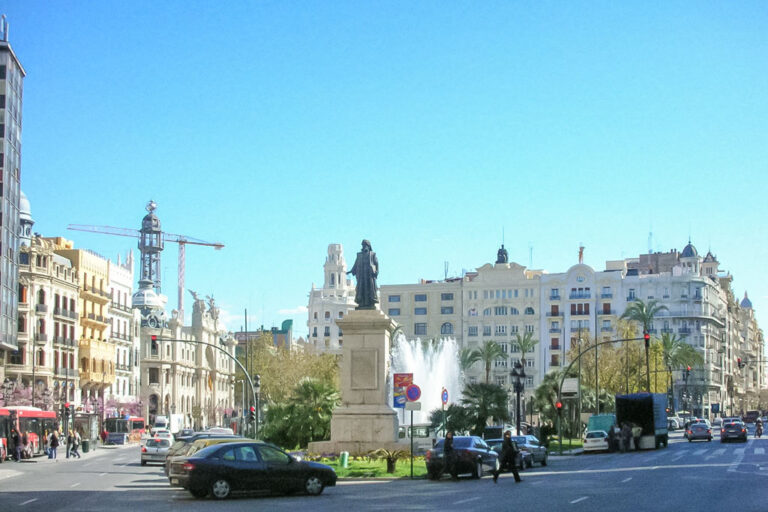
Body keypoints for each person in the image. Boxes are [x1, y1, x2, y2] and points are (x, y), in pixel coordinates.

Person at [346, 239, 379, 310]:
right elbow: (356, 264)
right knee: (361, 289)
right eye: (363, 245)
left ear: (368, 246)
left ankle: (370, 303)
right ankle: (362, 303)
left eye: (365, 245)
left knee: (370, 289)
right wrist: (351, 271)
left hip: (369, 275)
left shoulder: (372, 254)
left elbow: (376, 263)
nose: (363, 246)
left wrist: (377, 271)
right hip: (362, 275)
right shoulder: (359, 255)